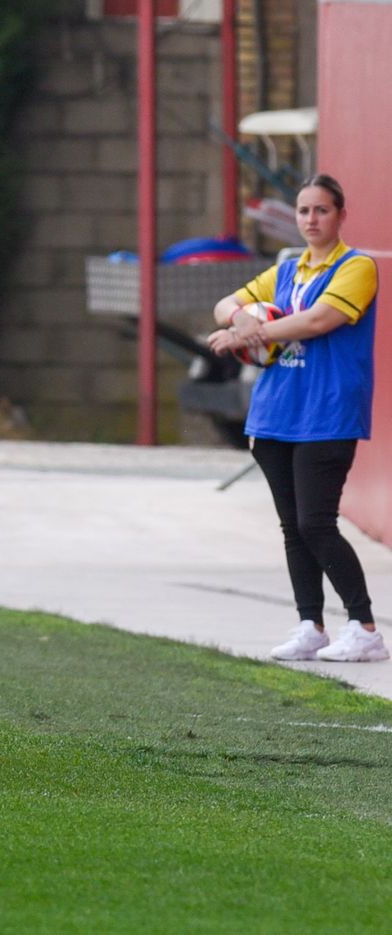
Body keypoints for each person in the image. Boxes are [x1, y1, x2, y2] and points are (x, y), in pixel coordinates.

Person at [208, 174, 384, 663]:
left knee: (317, 523)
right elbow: (226, 304)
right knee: (293, 526)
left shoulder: (358, 267)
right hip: (275, 416)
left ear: (341, 215)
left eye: (321, 210)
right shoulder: (286, 273)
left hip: (326, 414)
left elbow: (317, 321)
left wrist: (249, 334)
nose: (311, 220)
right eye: (304, 211)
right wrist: (242, 320)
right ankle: (311, 624)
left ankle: (365, 627)